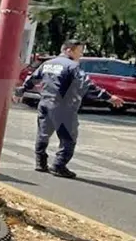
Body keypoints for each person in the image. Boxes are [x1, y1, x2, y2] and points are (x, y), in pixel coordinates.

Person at [15, 40, 124, 178]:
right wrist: (108, 97)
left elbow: (32, 79)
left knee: (43, 134)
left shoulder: (48, 64)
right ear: (68, 50)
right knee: (68, 138)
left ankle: (40, 162)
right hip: (63, 106)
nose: (81, 54)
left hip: (45, 104)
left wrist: (21, 91)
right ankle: (59, 166)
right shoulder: (72, 66)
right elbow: (87, 85)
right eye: (79, 51)